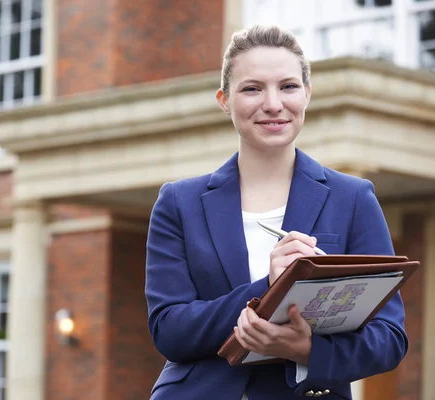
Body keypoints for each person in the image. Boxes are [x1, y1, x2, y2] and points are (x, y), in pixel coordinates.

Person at [145, 24, 408, 400]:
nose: (272, 104)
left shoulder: (353, 198)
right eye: (252, 88)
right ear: (224, 99)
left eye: (288, 86)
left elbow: (389, 338)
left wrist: (305, 350)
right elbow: (169, 330)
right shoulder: (178, 202)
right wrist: (268, 289)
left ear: (307, 94)